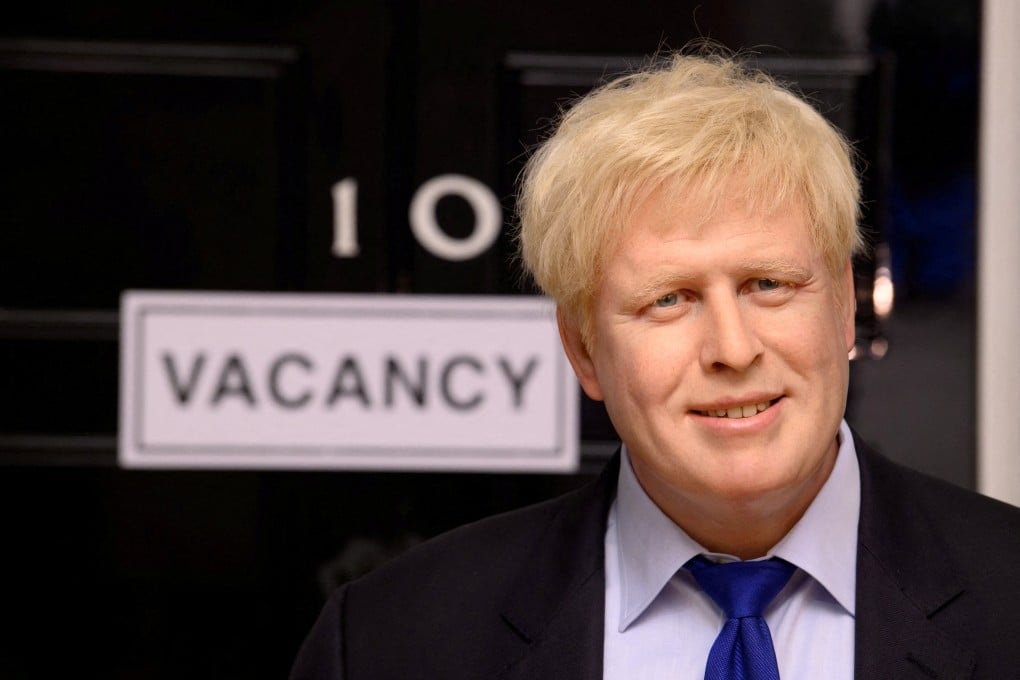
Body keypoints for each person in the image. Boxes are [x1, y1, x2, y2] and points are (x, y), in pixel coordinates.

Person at [290, 52, 1020, 679]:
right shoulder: (393, 643)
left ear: (842, 310)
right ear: (583, 350)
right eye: (669, 300)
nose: (733, 350)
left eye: (768, 284)